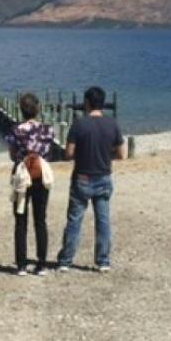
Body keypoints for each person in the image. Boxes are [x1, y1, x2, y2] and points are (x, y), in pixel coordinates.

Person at [57, 86, 125, 273]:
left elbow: (69, 153)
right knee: (103, 220)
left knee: (74, 220)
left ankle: (66, 260)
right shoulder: (112, 124)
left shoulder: (79, 124)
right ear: (103, 103)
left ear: (86, 102)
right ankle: (103, 260)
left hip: (82, 177)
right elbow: (121, 154)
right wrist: (105, 153)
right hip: (103, 176)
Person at [6, 93, 55, 276]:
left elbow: (12, 155)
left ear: (21, 110)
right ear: (38, 109)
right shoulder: (48, 130)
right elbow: (49, 152)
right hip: (41, 173)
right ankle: (41, 264)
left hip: (22, 173)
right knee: (40, 219)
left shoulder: (16, 130)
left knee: (21, 219)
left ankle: (21, 264)